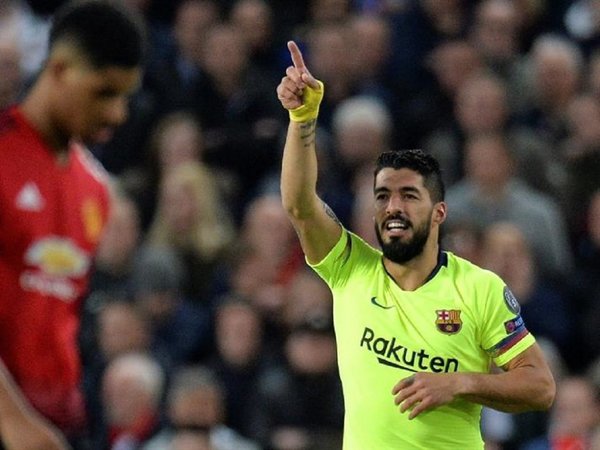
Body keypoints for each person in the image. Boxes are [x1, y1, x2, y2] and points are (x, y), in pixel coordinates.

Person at [276, 40, 556, 449]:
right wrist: (303, 117)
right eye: (383, 196)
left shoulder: (478, 288)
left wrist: (460, 383)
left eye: (409, 196)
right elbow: (299, 206)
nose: (393, 207)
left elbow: (540, 387)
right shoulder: (351, 269)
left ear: (439, 212)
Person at [0, 1, 145, 448]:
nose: (117, 114)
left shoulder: (96, 190)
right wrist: (14, 421)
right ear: (60, 70)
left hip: (60, 426)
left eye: (125, 97)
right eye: (104, 92)